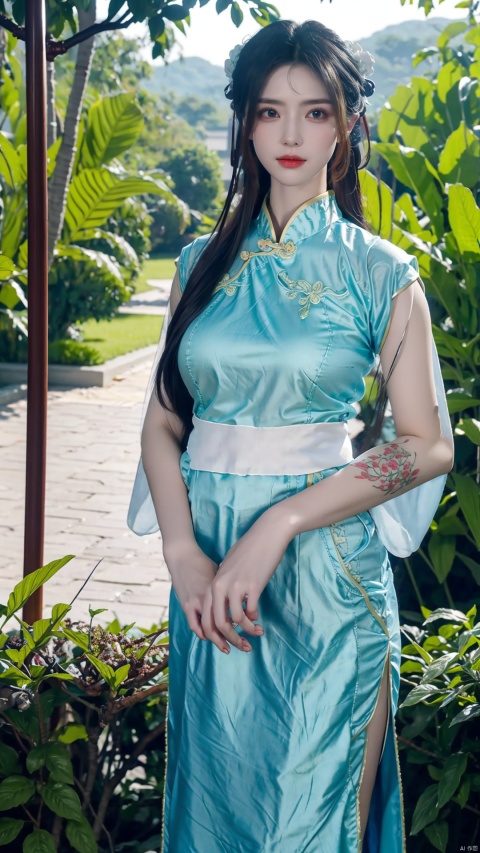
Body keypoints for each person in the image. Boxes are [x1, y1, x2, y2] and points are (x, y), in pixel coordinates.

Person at [127, 19, 453, 853]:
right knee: (216, 814)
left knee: (308, 826)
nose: (293, 134)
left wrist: (277, 523)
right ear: (245, 123)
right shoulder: (200, 263)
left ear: (346, 122)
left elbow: (425, 444)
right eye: (271, 112)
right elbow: (167, 421)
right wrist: (182, 552)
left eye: (315, 111)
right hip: (209, 580)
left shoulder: (381, 270)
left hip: (328, 575)